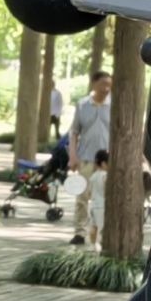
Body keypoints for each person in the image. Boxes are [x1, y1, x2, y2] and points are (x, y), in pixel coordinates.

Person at [65, 73, 114, 243]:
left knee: (106, 197)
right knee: (82, 197)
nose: (106, 88)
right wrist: (72, 156)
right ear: (93, 84)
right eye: (103, 84)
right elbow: (74, 132)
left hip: (107, 162)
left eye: (109, 84)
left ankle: (104, 232)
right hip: (85, 158)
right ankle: (80, 232)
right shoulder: (82, 105)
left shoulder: (114, 105)